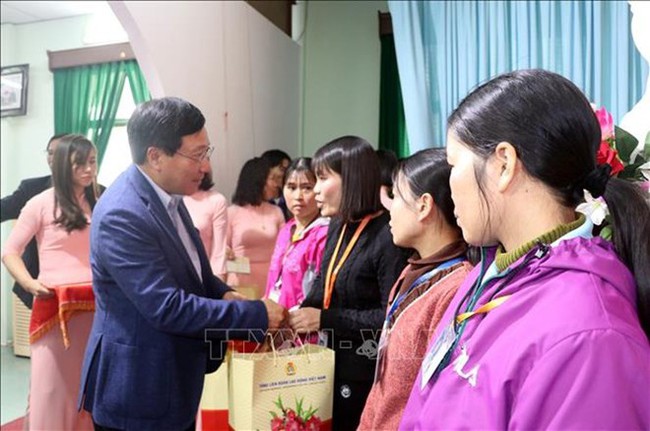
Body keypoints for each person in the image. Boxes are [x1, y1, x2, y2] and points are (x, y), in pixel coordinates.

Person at [399, 69, 650, 429]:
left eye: (454, 164)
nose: (448, 184)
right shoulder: (492, 274)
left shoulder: (590, 339)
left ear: (503, 164)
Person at [78, 97, 286, 431]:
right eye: (196, 155)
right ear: (156, 156)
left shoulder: (168, 198)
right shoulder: (123, 213)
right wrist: (256, 315)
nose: (205, 167)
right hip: (138, 389)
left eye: (207, 152)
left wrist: (223, 294)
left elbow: (193, 272)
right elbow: (166, 306)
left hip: (170, 380)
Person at [289, 136, 410, 431]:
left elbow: (390, 317)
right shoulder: (338, 224)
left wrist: (326, 318)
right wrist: (297, 314)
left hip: (364, 372)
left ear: (352, 179)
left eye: (321, 178)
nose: (315, 190)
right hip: (329, 363)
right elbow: (324, 277)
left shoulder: (387, 236)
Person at [358, 148, 473, 431]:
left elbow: (438, 397)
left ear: (423, 206)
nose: (389, 208)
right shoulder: (412, 270)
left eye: (396, 197)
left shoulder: (457, 289)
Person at [2, 134, 100, 430]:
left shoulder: (102, 201)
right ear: (61, 165)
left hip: (96, 308)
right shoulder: (39, 203)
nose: (88, 169)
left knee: (89, 387)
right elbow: (9, 251)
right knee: (50, 387)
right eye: (79, 164)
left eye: (92, 162)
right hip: (53, 308)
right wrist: (29, 283)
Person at [1, 133, 65, 309]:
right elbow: (4, 208)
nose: (53, 158)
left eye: (59, 152)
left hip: (83, 284)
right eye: (50, 153)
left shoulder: (97, 192)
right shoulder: (32, 189)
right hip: (41, 281)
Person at [264, 157, 329, 310]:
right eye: (291, 187)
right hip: (274, 322)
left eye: (307, 188)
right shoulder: (286, 229)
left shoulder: (324, 235)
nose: (298, 196)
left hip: (302, 326)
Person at [226, 157, 286, 299]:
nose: (277, 184)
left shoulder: (276, 211)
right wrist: (225, 252)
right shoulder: (232, 212)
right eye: (272, 178)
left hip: (271, 279)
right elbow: (222, 248)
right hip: (240, 281)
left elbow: (285, 247)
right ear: (258, 180)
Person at [184, 166, 228, 280]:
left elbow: (219, 251)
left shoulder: (216, 200)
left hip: (204, 278)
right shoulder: (173, 197)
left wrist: (217, 288)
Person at [261, 149, 292, 220]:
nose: (285, 173)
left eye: (288, 169)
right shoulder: (257, 197)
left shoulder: (288, 196)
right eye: (282, 169)